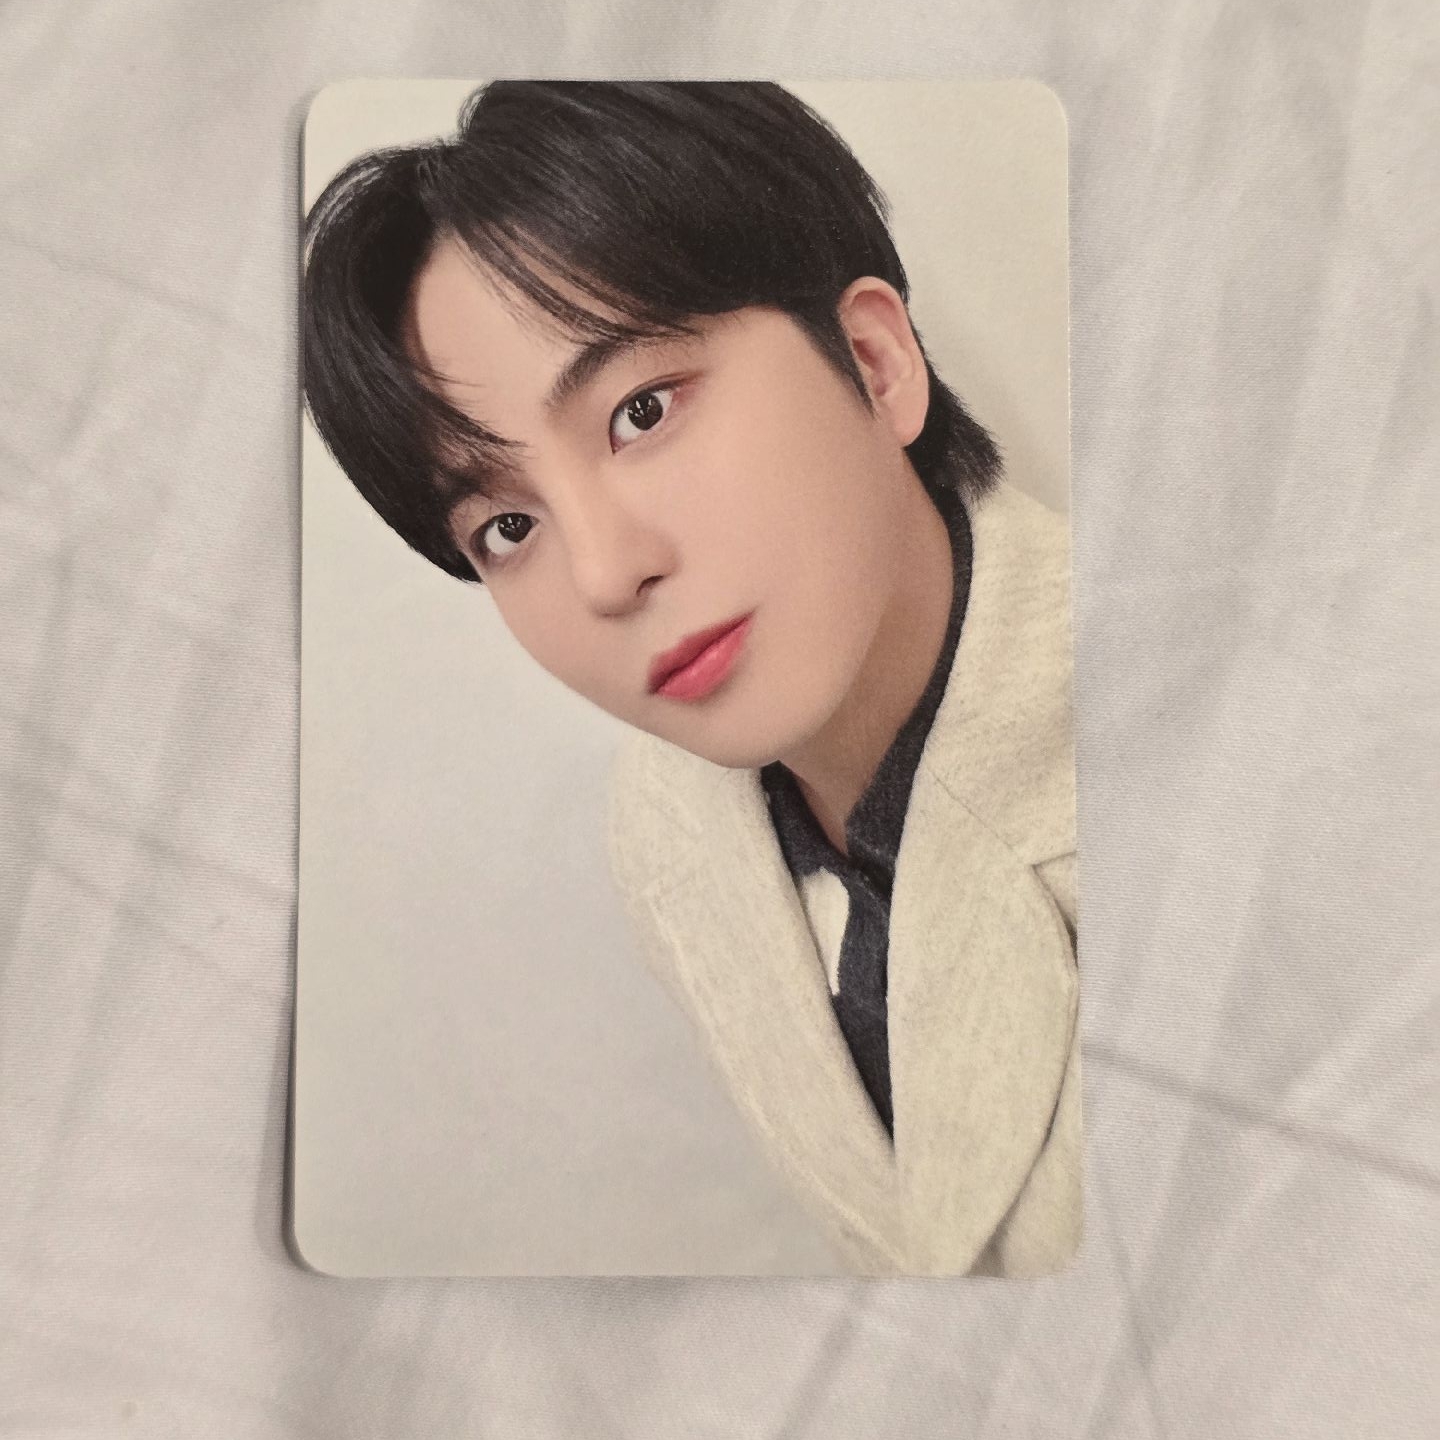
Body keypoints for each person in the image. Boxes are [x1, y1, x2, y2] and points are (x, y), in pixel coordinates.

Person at [302, 80, 1079, 1276]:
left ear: (875, 363)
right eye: (506, 527)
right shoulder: (666, 826)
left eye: (641, 411)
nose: (605, 573)